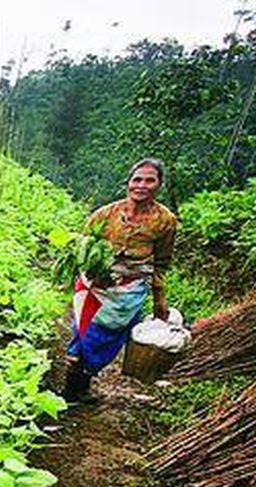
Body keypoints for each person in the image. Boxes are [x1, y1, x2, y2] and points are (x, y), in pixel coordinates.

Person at [62, 158, 177, 402]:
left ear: (159, 185)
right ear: (128, 182)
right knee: (83, 334)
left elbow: (161, 264)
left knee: (109, 339)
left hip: (128, 294)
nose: (142, 186)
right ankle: (71, 389)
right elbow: (83, 247)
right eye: (137, 179)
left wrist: (160, 299)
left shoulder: (165, 221)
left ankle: (84, 381)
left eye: (149, 180)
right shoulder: (105, 215)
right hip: (96, 288)